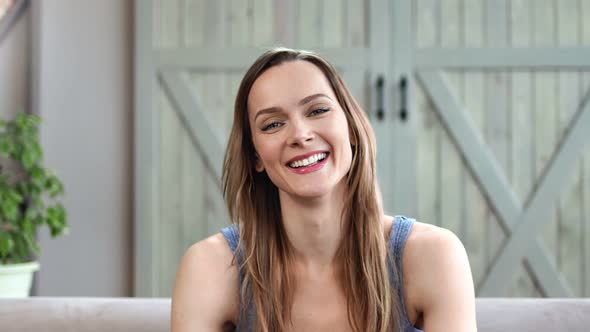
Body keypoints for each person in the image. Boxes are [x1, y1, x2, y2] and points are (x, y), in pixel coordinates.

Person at [171, 48, 477, 332]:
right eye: (272, 124)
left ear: (352, 129)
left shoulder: (433, 255)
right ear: (255, 157)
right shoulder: (211, 267)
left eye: (317, 111)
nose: (300, 135)